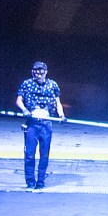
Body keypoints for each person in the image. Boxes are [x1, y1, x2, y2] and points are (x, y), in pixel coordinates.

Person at [15, 60, 65, 190]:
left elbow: (57, 102)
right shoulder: (27, 84)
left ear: (46, 72)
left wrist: (61, 115)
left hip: (46, 123)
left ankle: (41, 181)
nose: (39, 73)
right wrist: (24, 110)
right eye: (36, 71)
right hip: (32, 123)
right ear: (33, 72)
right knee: (30, 154)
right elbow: (19, 100)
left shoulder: (52, 85)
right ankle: (30, 181)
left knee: (44, 154)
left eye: (41, 71)